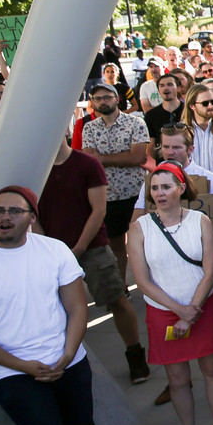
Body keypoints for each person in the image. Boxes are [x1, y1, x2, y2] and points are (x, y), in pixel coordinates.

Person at [0, 186, 142, 425]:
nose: (5, 217)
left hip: (67, 359)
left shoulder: (54, 251)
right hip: (12, 369)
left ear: (32, 217)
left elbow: (77, 308)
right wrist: (26, 366)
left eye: (15, 210)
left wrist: (66, 353)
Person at [128, 164, 213, 425]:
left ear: (181, 188)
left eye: (166, 187)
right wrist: (179, 311)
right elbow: (142, 280)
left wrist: (193, 309)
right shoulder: (140, 228)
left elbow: (211, 270)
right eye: (155, 188)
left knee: (212, 370)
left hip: (202, 306)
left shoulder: (200, 221)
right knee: (176, 378)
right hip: (164, 312)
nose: (159, 193)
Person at [39, 130, 149, 386]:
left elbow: (99, 210)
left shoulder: (87, 164)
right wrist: (47, 249)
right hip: (51, 253)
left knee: (116, 301)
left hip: (92, 249)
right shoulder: (35, 169)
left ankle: (135, 355)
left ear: (65, 133)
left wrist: (77, 249)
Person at [80, 82, 150, 304]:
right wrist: (120, 156)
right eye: (98, 98)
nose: (103, 102)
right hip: (107, 195)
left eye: (107, 97)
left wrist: (102, 158)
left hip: (136, 193)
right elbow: (89, 159)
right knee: (116, 244)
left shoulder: (136, 123)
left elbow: (138, 157)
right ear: (93, 102)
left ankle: (151, 284)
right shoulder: (89, 128)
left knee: (146, 241)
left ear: (117, 98)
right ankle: (122, 289)